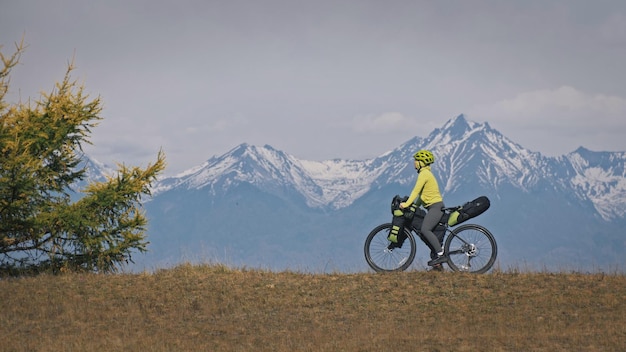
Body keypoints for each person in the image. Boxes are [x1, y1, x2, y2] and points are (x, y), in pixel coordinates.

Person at [398, 149, 448, 268]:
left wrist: (406, 204)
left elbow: (415, 191)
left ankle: (441, 254)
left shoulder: (424, 174)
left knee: (425, 230)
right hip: (434, 207)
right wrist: (414, 206)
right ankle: (438, 261)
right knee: (429, 231)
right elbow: (421, 196)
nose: (414, 163)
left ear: (422, 163)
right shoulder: (426, 174)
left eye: (416, 160)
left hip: (435, 207)